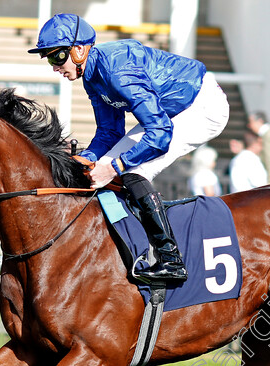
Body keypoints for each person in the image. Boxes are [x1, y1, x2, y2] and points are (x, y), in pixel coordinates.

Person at [30, 13, 230, 283]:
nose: (55, 67)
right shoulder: (91, 75)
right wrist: (84, 159)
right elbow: (110, 132)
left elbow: (160, 134)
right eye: (49, 59)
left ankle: (171, 260)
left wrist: (114, 166)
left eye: (56, 57)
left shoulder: (117, 72)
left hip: (201, 106)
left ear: (79, 49)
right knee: (97, 171)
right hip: (168, 113)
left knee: (133, 173)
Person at [247, 112, 270, 184]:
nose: (249, 126)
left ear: (260, 121)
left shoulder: (269, 135)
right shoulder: (267, 135)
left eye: (251, 122)